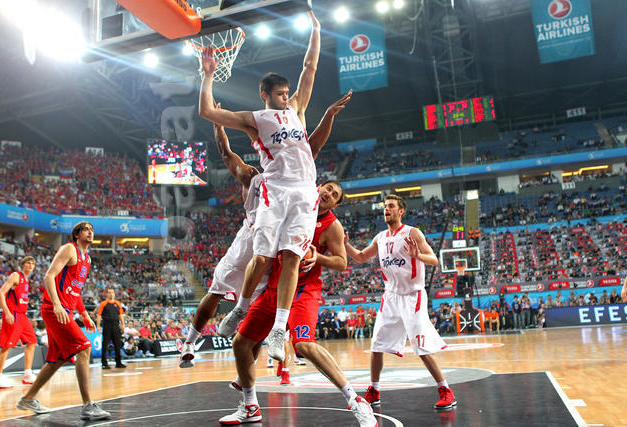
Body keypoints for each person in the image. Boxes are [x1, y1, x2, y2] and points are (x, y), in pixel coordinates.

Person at [180, 91, 352, 367]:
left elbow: (312, 144)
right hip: (251, 239)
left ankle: (246, 370)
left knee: (256, 314)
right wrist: (219, 127)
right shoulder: (253, 177)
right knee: (217, 291)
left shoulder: (301, 194)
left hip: (271, 247)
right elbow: (226, 154)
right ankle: (190, 340)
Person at [200, 11, 325, 362]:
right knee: (263, 255)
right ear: (265, 94)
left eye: (287, 93)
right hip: (276, 189)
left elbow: (310, 67)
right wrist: (208, 75)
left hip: (305, 191)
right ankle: (241, 307)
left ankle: (279, 329)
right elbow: (207, 111)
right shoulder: (254, 119)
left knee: (292, 258)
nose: (286, 98)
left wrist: (316, 29)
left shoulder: (297, 108)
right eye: (280, 94)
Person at [220, 181, 377, 426]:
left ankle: (356, 401)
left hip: (303, 291)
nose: (328, 193)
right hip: (275, 287)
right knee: (240, 343)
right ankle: (250, 406)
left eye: (334, 194)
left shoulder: (332, 226)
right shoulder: (292, 205)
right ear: (318, 187)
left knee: (303, 344)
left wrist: (318, 256)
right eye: (328, 188)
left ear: (335, 204)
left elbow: (342, 262)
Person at [344, 194, 457, 410]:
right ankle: (374, 391)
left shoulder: (412, 233)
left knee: (421, 346)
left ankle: (446, 390)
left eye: (391, 206)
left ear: (401, 211)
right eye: (385, 207)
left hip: (412, 295)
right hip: (391, 297)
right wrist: (346, 245)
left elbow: (434, 259)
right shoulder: (380, 237)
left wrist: (418, 255)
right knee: (376, 345)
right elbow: (360, 256)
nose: (386, 210)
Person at [16, 222, 110, 420]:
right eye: (86, 229)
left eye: (92, 230)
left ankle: (28, 398)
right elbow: (48, 276)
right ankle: (88, 405)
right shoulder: (69, 249)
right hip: (54, 309)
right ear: (77, 234)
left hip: (65, 309)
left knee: (56, 360)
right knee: (84, 348)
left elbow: (75, 290)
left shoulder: (87, 259)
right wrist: (57, 305)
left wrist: (84, 314)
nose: (90, 232)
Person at [0, 256, 38, 389]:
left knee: (32, 341)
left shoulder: (27, 280)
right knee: (6, 346)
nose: (30, 265)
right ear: (22, 264)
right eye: (28, 263)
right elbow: (0, 293)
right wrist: (7, 312)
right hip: (13, 314)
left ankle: (27, 374)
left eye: (33, 263)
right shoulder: (16, 276)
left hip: (22, 315)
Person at [96, 288, 126, 369]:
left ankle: (118, 362)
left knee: (117, 344)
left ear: (114, 294)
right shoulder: (103, 303)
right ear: (107, 294)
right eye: (109, 292)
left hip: (116, 325)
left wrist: (123, 324)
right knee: (105, 344)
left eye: (112, 292)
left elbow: (120, 314)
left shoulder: (117, 303)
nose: (111, 294)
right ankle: (104, 363)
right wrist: (98, 325)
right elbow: (99, 315)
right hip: (107, 325)